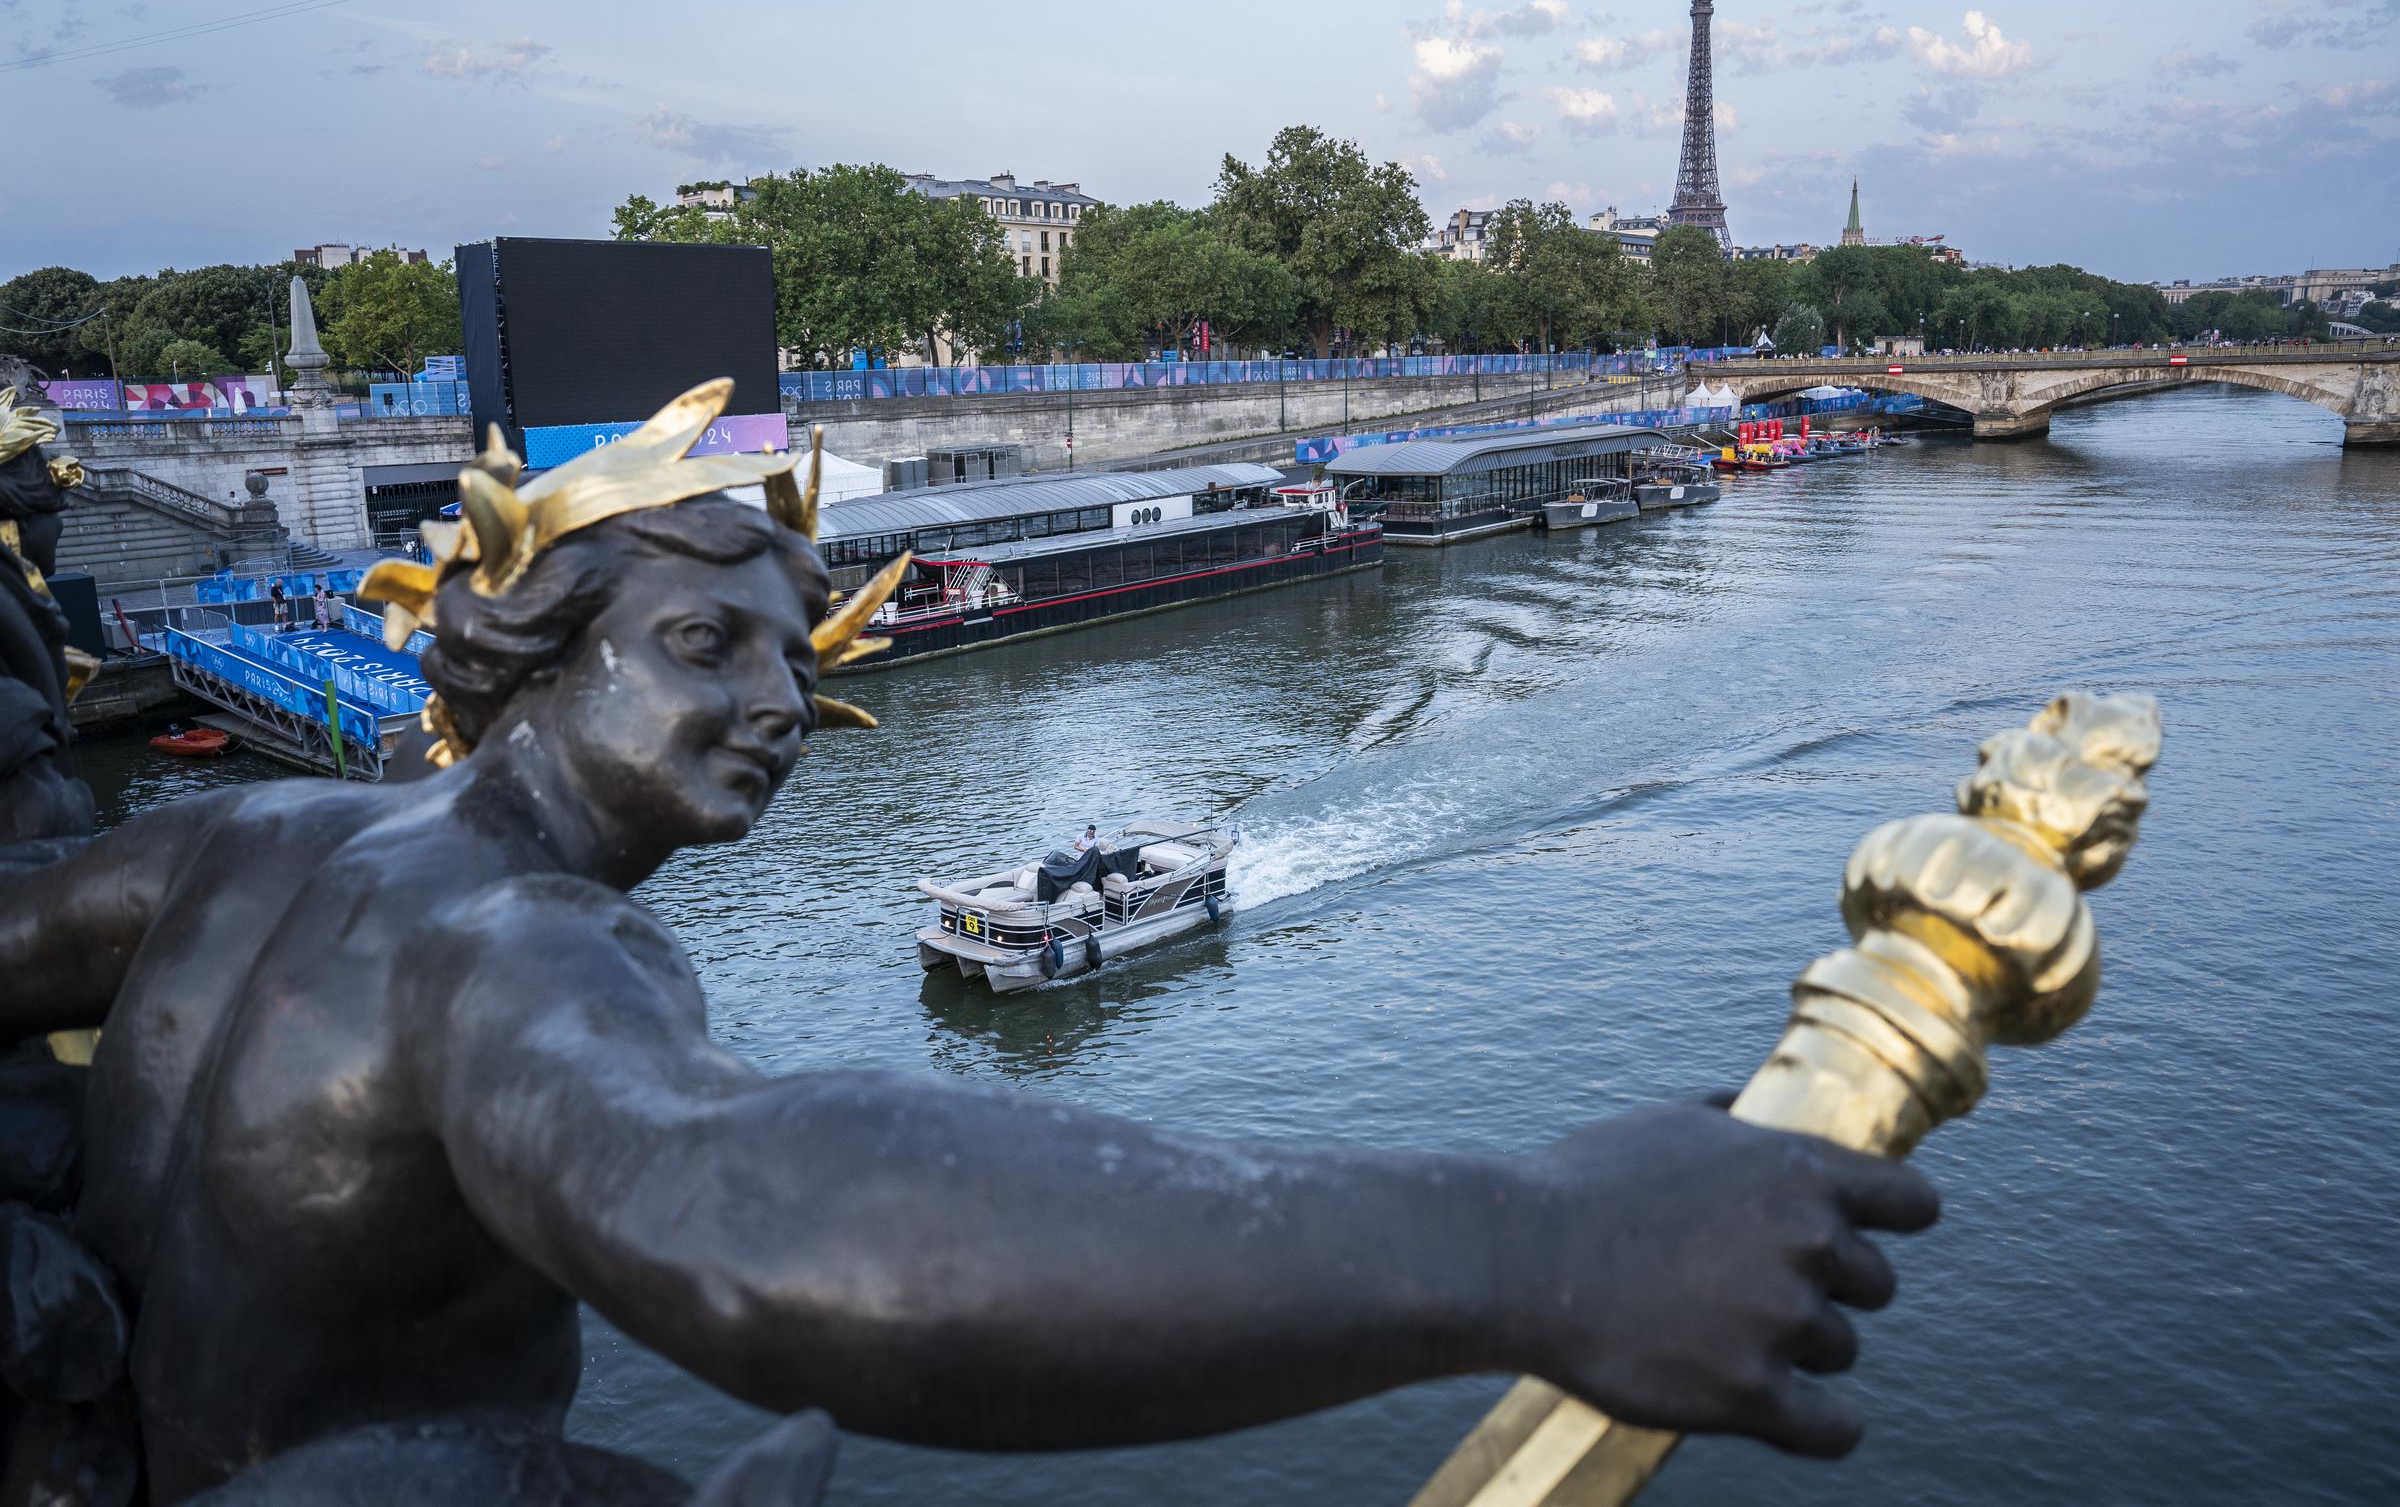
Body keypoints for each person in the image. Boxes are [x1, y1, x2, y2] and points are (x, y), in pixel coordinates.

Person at [0, 387, 1936, 1501]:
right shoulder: (518, 943)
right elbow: (756, 1216)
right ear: (529, 650)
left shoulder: (236, 834)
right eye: (703, 642)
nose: (776, 696)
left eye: (794, 651)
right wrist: (1535, 1239)